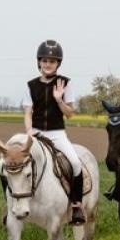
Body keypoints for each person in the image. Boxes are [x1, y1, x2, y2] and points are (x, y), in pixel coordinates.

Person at [23, 39, 86, 225]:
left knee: (75, 164)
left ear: (58, 63)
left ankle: (76, 206)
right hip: (34, 132)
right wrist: (28, 132)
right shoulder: (31, 85)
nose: (48, 64)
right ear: (39, 62)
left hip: (56, 133)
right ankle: (10, 204)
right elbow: (28, 112)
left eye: (52, 61)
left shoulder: (65, 83)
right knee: (9, 162)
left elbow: (71, 114)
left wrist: (59, 99)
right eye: (45, 60)